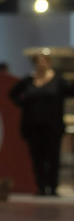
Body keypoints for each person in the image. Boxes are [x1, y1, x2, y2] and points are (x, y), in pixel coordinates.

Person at [8, 52, 74, 196]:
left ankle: (53, 187)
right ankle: (41, 186)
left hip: (52, 126)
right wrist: (24, 104)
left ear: (48, 63)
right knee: (37, 157)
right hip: (33, 126)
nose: (41, 64)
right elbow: (12, 93)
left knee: (53, 156)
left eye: (44, 61)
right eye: (39, 62)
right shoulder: (28, 80)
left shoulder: (57, 80)